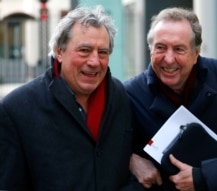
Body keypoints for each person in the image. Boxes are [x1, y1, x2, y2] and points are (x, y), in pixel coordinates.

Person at [0, 5, 144, 191]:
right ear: (59, 52)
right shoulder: (16, 109)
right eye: (84, 50)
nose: (94, 61)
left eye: (103, 52)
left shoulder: (120, 95)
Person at [124, 7, 217, 191]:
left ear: (196, 53)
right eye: (160, 47)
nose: (168, 59)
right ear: (150, 50)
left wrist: (202, 177)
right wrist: (130, 160)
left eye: (179, 49)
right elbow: (103, 148)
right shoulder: (130, 94)